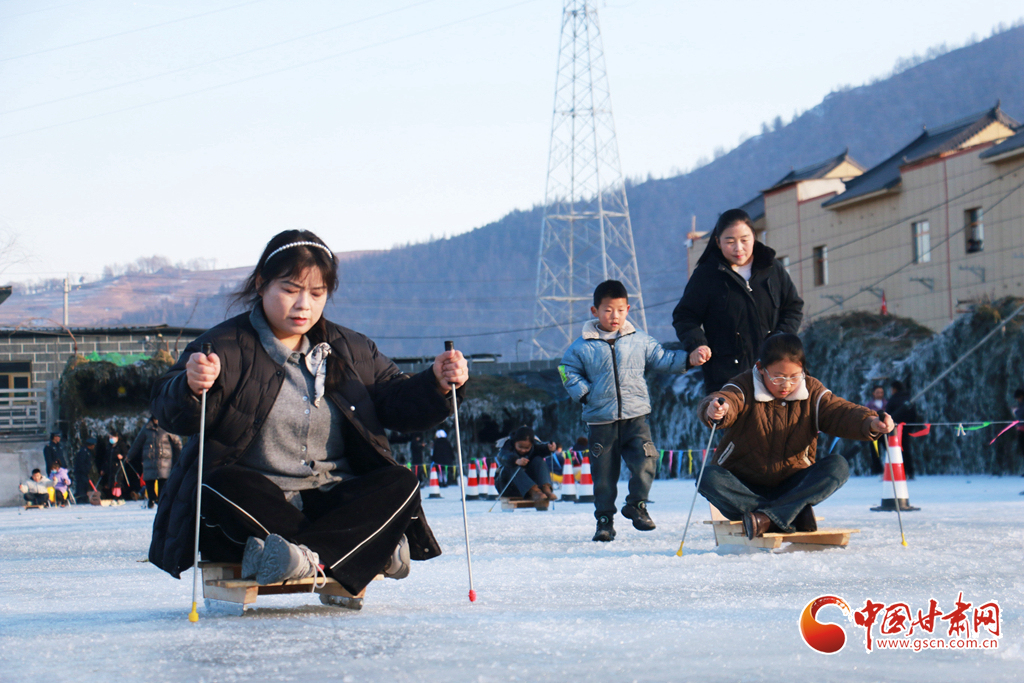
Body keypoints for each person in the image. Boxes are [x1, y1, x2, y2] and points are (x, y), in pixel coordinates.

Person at [148, 230, 468, 598]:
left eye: (317, 294)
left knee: (401, 483)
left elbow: (396, 401)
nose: (304, 305)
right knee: (216, 484)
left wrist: (436, 383)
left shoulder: (352, 349)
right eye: (290, 290)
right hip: (261, 508)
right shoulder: (223, 347)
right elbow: (170, 411)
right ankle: (363, 550)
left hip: (332, 501)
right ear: (261, 283)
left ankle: (304, 556)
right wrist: (190, 386)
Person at [697, 333, 894, 539]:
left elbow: (840, 412)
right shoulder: (743, 386)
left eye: (794, 377)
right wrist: (716, 410)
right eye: (778, 377)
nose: (786, 385)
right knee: (707, 477)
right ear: (761, 368)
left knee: (838, 466)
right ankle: (790, 514)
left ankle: (766, 519)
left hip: (792, 486)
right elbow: (726, 399)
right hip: (742, 487)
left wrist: (870, 422)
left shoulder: (812, 391)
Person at [560, 279, 691, 542]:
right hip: (601, 422)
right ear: (595, 311)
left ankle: (637, 505)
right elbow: (566, 370)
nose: (615, 316)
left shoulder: (640, 340)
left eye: (620, 310)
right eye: (608, 310)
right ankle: (604, 521)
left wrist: (689, 358)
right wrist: (584, 393)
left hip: (636, 418)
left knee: (647, 460)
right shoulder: (581, 346)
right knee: (603, 476)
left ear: (628, 309)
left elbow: (663, 358)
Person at [672, 208, 803, 395]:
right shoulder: (707, 275)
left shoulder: (771, 268)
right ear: (718, 242)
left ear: (754, 237)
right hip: (727, 379)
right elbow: (685, 316)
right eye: (730, 242)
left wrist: (779, 340)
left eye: (744, 240)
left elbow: (793, 307)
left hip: (775, 376)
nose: (738, 248)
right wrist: (697, 344)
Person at [127, 416, 182, 508]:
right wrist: (129, 456)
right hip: (150, 460)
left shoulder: (167, 428)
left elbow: (177, 442)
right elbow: (137, 443)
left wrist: (181, 456)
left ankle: (161, 501)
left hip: (164, 460)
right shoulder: (146, 429)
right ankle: (151, 500)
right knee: (149, 482)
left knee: (163, 482)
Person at [494, 426, 557, 502]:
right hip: (509, 487)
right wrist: (515, 460)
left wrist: (548, 448)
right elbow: (503, 456)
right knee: (511, 466)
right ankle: (533, 491)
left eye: (527, 448)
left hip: (536, 488)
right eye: (520, 447)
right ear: (515, 442)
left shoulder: (534, 447)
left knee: (538, 460)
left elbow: (541, 448)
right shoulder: (507, 446)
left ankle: (546, 489)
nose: (523, 450)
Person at [885, 380, 918, 478]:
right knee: (906, 449)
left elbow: (888, 414)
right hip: (906, 428)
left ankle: (898, 472)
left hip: (894, 430)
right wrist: (911, 427)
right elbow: (914, 414)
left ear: (895, 389)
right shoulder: (909, 399)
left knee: (895, 451)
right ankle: (910, 471)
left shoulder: (893, 399)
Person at [99, 428, 132, 499]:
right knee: (112, 483)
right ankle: (115, 496)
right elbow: (106, 459)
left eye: (112, 437)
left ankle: (118, 497)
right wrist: (103, 469)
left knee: (117, 482)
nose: (111, 439)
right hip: (110, 468)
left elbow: (127, 455)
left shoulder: (121, 445)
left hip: (118, 467)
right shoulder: (109, 447)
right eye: (110, 437)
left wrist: (122, 456)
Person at [863, 385, 887, 475]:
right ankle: (878, 471)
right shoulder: (869, 405)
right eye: (877, 392)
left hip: (886, 431)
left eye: (881, 392)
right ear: (873, 393)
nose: (880, 394)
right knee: (875, 452)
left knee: (889, 450)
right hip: (874, 432)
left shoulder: (887, 403)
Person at [1012, 389, 1024, 474]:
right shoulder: (1020, 404)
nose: (1017, 400)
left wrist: (1015, 411)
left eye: (1018, 398)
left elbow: (1021, 414)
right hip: (1021, 429)